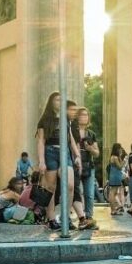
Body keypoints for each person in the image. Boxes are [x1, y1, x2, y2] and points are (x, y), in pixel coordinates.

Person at [35, 92, 81, 230]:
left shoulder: (65, 118)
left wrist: (77, 155)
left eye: (62, 100)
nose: (59, 102)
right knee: (51, 187)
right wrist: (41, 161)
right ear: (51, 102)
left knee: (70, 185)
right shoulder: (45, 120)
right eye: (57, 100)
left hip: (65, 152)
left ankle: (65, 217)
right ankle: (51, 219)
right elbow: (41, 142)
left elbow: (70, 138)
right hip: (50, 152)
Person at [78, 108, 100, 224]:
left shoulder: (91, 134)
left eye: (86, 115)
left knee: (89, 193)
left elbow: (97, 153)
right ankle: (80, 216)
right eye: (81, 115)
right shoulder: (72, 131)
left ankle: (89, 216)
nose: (84, 117)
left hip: (88, 166)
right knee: (78, 192)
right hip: (76, 166)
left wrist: (89, 148)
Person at [106, 144, 126, 215]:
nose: (121, 149)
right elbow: (120, 167)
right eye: (120, 148)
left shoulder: (115, 157)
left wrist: (120, 157)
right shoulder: (114, 157)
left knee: (114, 193)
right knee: (113, 192)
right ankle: (113, 210)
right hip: (115, 176)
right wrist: (124, 161)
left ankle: (113, 209)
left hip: (115, 175)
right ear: (117, 149)